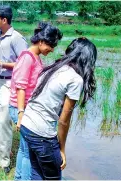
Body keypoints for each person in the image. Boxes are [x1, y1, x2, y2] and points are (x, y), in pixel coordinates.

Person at [20, 37, 97, 180]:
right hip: (41, 134)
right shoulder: (75, 79)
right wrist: (61, 149)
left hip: (27, 126)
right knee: (53, 177)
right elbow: (63, 121)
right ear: (88, 60)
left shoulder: (54, 68)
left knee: (37, 172)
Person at [9, 22, 62, 180]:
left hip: (25, 109)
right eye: (51, 45)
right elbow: (20, 87)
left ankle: (19, 177)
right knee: (28, 153)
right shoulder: (27, 57)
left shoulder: (35, 57)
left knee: (23, 150)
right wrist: (20, 114)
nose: (52, 49)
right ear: (41, 41)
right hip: (21, 108)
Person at [0, 5, 28, 174]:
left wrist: (1, 64)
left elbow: (23, 63)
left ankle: (5, 162)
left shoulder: (16, 38)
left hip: (8, 83)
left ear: (4, 20)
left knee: (4, 122)